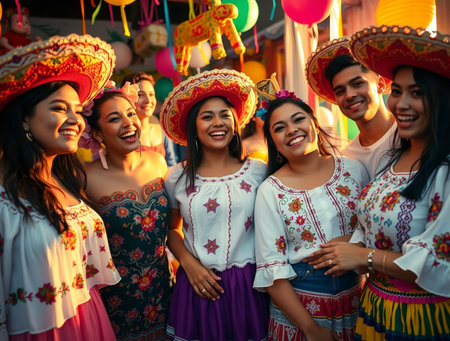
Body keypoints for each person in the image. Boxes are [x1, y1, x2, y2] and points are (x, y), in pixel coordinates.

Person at [308, 25, 450, 340]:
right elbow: (367, 217)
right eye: (398, 92)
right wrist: (353, 244)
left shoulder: (442, 167)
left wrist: (362, 256)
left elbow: (439, 258)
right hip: (374, 307)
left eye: (417, 93)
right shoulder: (387, 160)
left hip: (422, 317)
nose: (401, 104)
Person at [0, 34, 120, 339]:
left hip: (90, 320)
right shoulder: (5, 199)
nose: (74, 120)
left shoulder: (69, 180)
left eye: (78, 110)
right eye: (59, 108)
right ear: (25, 119)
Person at [253, 84, 369, 340]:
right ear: (273, 141)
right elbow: (272, 270)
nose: (291, 129)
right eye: (279, 128)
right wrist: (311, 329)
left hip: (359, 305)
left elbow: (374, 228)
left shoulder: (354, 170)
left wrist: (354, 243)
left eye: (298, 120)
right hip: (301, 313)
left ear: (314, 123)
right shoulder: (270, 191)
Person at [160, 69, 270, 341]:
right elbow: (171, 231)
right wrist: (188, 263)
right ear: (194, 127)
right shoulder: (176, 176)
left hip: (251, 286)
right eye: (207, 116)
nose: (217, 123)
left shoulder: (259, 171)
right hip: (199, 285)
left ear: (235, 122)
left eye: (224, 115)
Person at [79, 80, 174, 341]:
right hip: (116, 303)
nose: (128, 122)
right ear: (97, 134)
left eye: (131, 113)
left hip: (163, 291)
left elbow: (174, 228)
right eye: (114, 118)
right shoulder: (86, 180)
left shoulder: (158, 163)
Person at [306, 37, 396, 178]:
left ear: (379, 85)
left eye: (358, 84)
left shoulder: (408, 134)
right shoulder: (348, 159)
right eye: (340, 91)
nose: (349, 95)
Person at [121, 72, 180, 166]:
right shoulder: (123, 134)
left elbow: (172, 163)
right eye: (140, 95)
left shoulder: (161, 129)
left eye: (151, 95)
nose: (148, 100)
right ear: (127, 99)